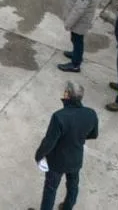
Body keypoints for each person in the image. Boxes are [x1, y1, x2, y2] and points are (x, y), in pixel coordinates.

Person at [31, 81, 99, 210]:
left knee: (50, 190)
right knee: (73, 185)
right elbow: (94, 134)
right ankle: (67, 207)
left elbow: (49, 142)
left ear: (67, 95)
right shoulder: (91, 113)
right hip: (76, 158)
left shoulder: (59, 117)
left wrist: (39, 155)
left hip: (57, 161)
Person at [58, 0, 108, 73]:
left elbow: (78, 10)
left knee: (77, 40)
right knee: (76, 40)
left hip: (80, 20)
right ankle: (76, 54)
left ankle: (75, 64)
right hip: (83, 18)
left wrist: (68, 23)